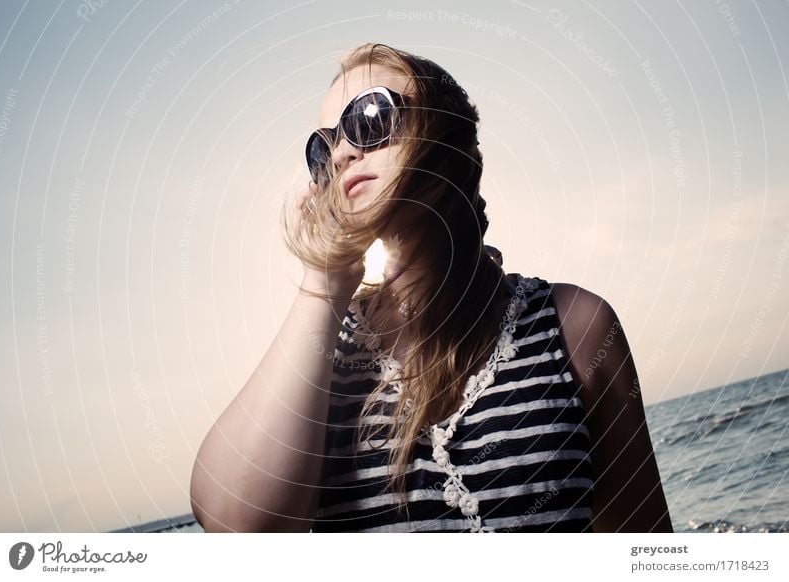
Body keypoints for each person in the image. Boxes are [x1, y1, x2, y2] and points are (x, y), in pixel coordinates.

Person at [190, 43, 673, 533]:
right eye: (323, 145)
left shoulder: (573, 326)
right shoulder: (318, 373)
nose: (341, 153)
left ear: (448, 138)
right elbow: (239, 530)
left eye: (370, 115)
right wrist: (326, 280)